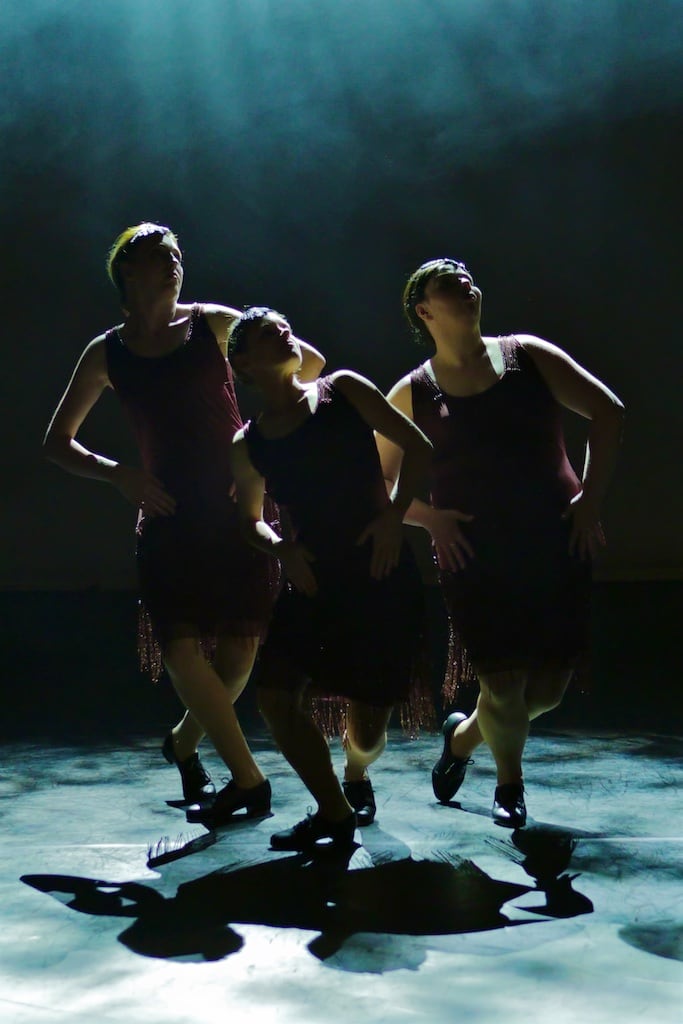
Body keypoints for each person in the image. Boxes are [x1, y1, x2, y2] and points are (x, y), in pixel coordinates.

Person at [43, 223, 325, 814]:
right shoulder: (108, 352)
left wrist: (260, 445)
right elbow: (57, 441)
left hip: (236, 509)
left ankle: (184, 741)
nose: (174, 262)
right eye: (159, 254)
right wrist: (118, 473)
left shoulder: (211, 324)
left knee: (239, 652)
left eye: (177, 254)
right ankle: (249, 781)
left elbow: (309, 361)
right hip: (168, 513)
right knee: (179, 648)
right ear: (128, 269)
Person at [377, 258, 624, 828]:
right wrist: (429, 520)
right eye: (448, 281)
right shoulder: (413, 391)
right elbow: (376, 480)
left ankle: (463, 738)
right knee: (503, 681)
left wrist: (590, 499)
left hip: (555, 539)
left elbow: (608, 412)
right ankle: (510, 786)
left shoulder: (527, 355)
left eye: (467, 276)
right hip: (473, 554)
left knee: (548, 690)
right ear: (424, 310)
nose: (465, 281)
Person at [217, 306, 433, 850]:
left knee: (368, 732)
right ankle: (334, 813)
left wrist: (395, 515)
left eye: (285, 326)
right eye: (268, 333)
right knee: (275, 699)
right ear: (243, 364)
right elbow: (249, 521)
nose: (285, 333)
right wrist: (281, 549)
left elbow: (419, 447)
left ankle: (356, 771)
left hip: (378, 572)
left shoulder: (344, 390)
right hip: (312, 581)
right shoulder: (248, 443)